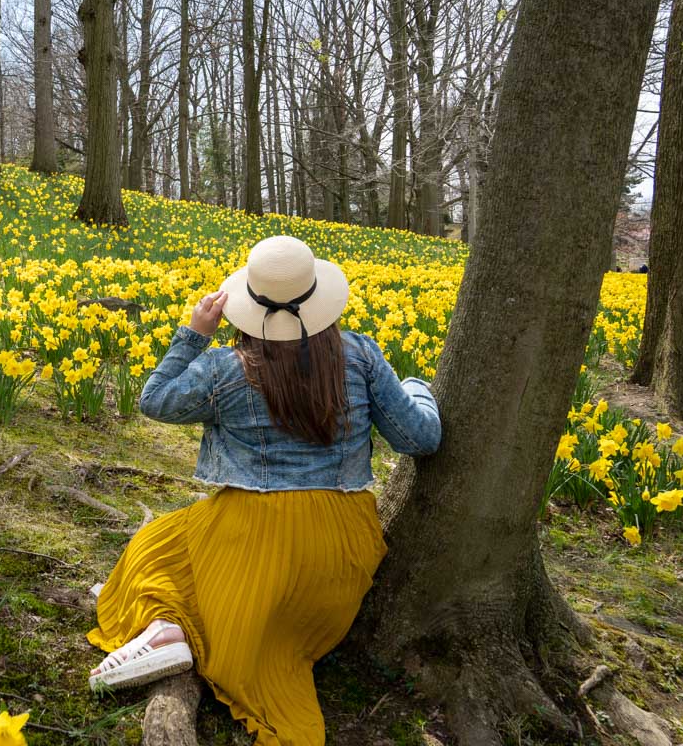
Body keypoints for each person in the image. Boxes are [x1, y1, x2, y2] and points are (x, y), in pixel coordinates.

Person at [86, 235, 442, 745]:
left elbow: (154, 400)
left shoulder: (224, 368)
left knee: (156, 547)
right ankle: (175, 630)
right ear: (319, 299)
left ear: (247, 305)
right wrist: (417, 389)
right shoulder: (360, 355)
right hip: (341, 551)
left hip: (253, 535)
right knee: (189, 548)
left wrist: (193, 335)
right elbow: (421, 438)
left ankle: (168, 628)